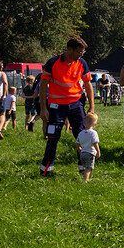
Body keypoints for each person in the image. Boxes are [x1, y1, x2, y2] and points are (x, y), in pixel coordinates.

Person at [39, 37, 95, 176]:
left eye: (82, 52)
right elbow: (43, 86)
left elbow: (88, 85)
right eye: (78, 52)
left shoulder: (82, 63)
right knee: (53, 136)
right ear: (69, 49)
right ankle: (46, 169)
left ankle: (83, 166)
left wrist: (91, 107)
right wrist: (43, 108)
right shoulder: (53, 63)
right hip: (56, 107)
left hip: (76, 105)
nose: (81, 55)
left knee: (82, 135)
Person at [76, 112, 100, 182]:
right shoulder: (93, 133)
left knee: (87, 167)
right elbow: (95, 143)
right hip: (90, 153)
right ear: (95, 123)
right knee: (89, 168)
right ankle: (85, 180)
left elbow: (77, 144)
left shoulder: (81, 133)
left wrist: (80, 150)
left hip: (82, 153)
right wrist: (98, 152)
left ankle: (88, 178)